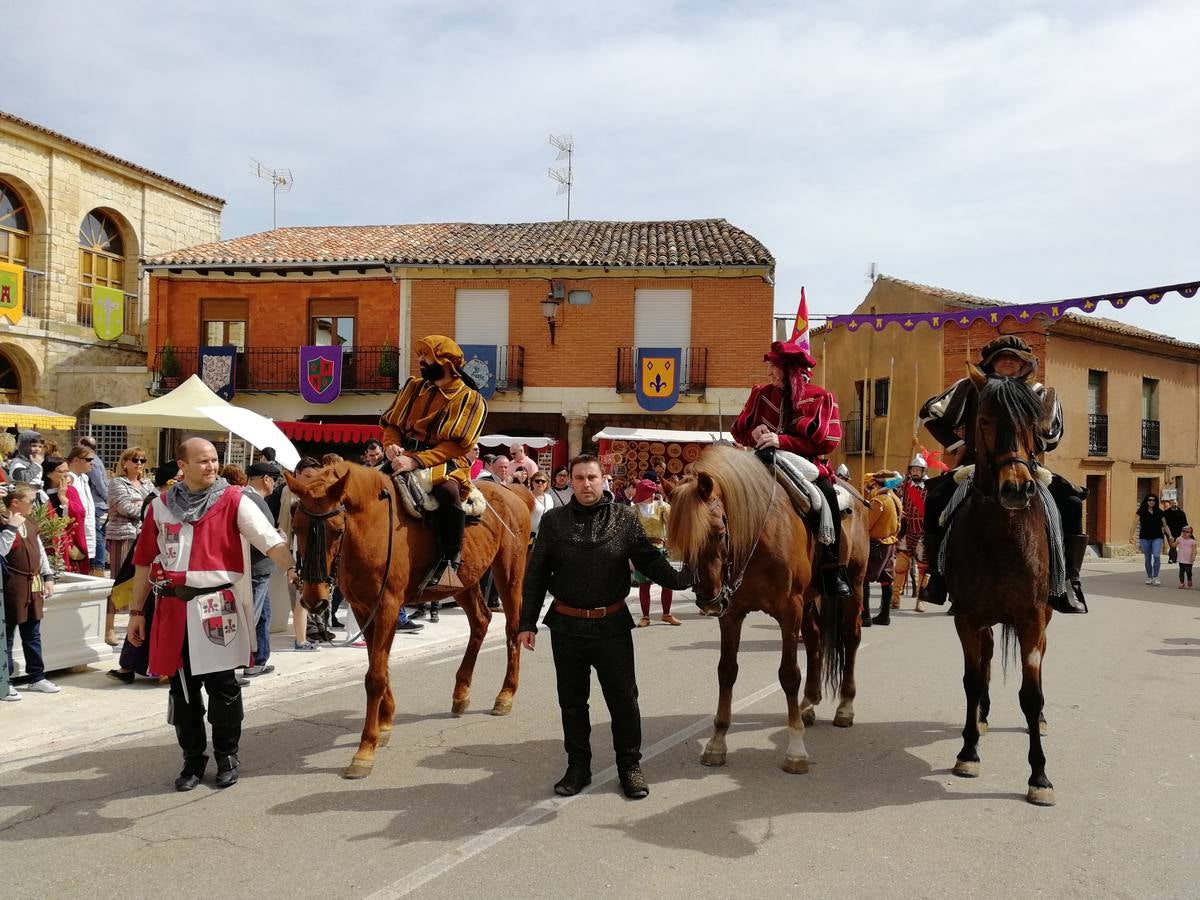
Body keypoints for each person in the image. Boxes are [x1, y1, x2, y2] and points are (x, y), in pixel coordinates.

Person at [517, 454, 693, 800]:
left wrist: (682, 579)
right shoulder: (553, 522)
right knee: (572, 702)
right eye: (579, 478)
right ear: (570, 481)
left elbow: (648, 560)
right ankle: (578, 767)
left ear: (603, 480)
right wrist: (527, 623)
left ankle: (630, 766)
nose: (585, 484)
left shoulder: (625, 518)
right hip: (566, 627)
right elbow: (536, 575)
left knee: (624, 700)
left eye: (591, 478)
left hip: (612, 625)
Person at [126, 438, 297, 791]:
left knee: (224, 689)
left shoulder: (234, 500)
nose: (212, 466)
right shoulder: (160, 506)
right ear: (182, 465)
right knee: (183, 691)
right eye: (203, 461)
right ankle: (192, 759)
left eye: (215, 460)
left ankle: (227, 755)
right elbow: (143, 562)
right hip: (173, 608)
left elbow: (269, 540)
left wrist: (296, 570)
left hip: (217, 608)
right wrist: (136, 612)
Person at [919, 335, 1089, 614]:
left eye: (1016, 357)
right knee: (936, 497)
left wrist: (1029, 437)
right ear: (990, 362)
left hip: (1025, 465)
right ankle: (937, 576)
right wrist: (959, 444)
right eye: (1002, 357)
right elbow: (930, 414)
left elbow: (1053, 436)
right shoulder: (971, 387)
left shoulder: (1039, 392)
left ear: (1026, 364)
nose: (1009, 360)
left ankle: (1070, 580)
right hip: (978, 465)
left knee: (1071, 502)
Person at [731, 337, 850, 601]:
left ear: (791, 370)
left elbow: (826, 442)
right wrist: (754, 432)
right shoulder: (761, 394)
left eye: (775, 367)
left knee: (827, 496)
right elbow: (739, 433)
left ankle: (832, 568)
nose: (769, 372)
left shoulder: (819, 397)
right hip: (761, 460)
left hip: (806, 463)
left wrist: (781, 440)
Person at [380, 334, 487, 591]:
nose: (421, 361)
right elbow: (392, 424)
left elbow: (457, 445)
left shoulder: (470, 398)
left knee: (448, 494)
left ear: (446, 362)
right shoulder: (413, 387)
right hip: (403, 456)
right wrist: (390, 446)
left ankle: (450, 561)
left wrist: (416, 461)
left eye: (426, 356)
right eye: (420, 356)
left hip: (445, 461)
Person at [109, 462, 177, 682]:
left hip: (165, 567)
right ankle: (132, 666)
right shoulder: (156, 503)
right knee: (143, 615)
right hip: (154, 568)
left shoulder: (171, 501)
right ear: (171, 481)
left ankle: (138, 666)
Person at [3, 484, 59, 697]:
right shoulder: (3, 522)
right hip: (12, 585)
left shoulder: (31, 522)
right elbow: (3, 550)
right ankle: (4, 681)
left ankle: (37, 677)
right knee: (6, 635)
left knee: (32, 634)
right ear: (15, 503)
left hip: (33, 583)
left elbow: (40, 551)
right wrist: (10, 528)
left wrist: (48, 576)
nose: (34, 505)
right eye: (30, 501)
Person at [104, 448, 154, 647]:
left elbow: (154, 505)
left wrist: (143, 505)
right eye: (135, 460)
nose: (139, 463)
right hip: (123, 535)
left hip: (142, 535)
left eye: (142, 460)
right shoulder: (117, 483)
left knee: (140, 582)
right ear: (124, 462)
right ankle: (109, 627)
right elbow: (126, 508)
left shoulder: (147, 483)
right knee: (118, 581)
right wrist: (145, 506)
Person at [242, 461, 281, 676]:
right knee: (252, 616)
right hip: (257, 566)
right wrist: (278, 538)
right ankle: (246, 662)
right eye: (273, 480)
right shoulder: (253, 500)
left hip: (257, 566)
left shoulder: (247, 498)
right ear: (266, 479)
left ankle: (259, 659)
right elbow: (259, 537)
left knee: (263, 614)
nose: (274, 485)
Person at [630, 479, 681, 628]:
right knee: (644, 584)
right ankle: (645, 616)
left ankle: (667, 614)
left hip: (660, 549)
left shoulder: (662, 507)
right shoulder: (633, 510)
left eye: (653, 492)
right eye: (648, 493)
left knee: (667, 583)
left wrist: (664, 506)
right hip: (642, 551)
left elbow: (672, 522)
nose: (652, 496)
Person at [864, 470, 903, 626]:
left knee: (864, 579)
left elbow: (867, 523)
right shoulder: (894, 498)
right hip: (890, 542)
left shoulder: (878, 501)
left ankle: (865, 616)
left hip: (876, 543)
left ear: (877, 483)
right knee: (886, 580)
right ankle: (884, 616)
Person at [43, 456, 89, 575]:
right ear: (49, 474)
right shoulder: (41, 493)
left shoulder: (70, 491)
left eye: (67, 471)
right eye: (60, 471)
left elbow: (80, 513)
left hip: (66, 541)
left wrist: (63, 498)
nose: (65, 474)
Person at [895, 456, 929, 609]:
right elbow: (895, 499)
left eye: (917, 470)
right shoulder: (905, 486)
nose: (915, 472)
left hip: (923, 531)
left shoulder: (930, 487)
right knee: (901, 566)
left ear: (923, 471)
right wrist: (899, 511)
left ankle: (920, 600)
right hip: (908, 530)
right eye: (913, 469)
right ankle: (895, 598)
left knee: (923, 568)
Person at [78, 436, 109, 574]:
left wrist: (107, 499)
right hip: (98, 502)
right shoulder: (96, 459)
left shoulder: (93, 461)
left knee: (97, 536)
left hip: (96, 503)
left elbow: (100, 484)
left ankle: (98, 567)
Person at [66, 445, 98, 567]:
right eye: (89, 460)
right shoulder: (69, 477)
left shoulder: (84, 478)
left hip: (87, 524)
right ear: (76, 460)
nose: (92, 463)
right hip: (75, 526)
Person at [1131, 494, 1172, 586]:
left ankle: (1156, 577)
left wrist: (1170, 536)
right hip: (1144, 537)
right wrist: (1131, 536)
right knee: (1148, 558)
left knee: (1157, 556)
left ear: (1156, 502)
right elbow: (1134, 523)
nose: (1151, 502)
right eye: (1149, 500)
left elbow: (1165, 525)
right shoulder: (1141, 511)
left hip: (1157, 537)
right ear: (1146, 501)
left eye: (1153, 500)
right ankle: (1149, 577)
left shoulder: (1160, 512)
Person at [7, 430, 46, 501]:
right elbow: (23, 480)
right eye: (34, 446)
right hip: (24, 499)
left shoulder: (33, 461)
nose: (37, 449)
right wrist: (36, 465)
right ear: (24, 446)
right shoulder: (18, 462)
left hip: (36, 497)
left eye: (40, 447)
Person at [1162, 499, 1189, 564]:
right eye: (1172, 503)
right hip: (1169, 532)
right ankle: (1173, 558)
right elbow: (1164, 524)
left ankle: (1171, 559)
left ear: (1177, 503)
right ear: (1170, 504)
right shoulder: (1166, 513)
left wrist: (1184, 533)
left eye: (1175, 503)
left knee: (1173, 546)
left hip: (1178, 532)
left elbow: (1185, 524)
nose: (1174, 504)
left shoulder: (1181, 513)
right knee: (1172, 545)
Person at [529, 472, 554, 539]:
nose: (540, 483)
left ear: (547, 483)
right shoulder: (527, 496)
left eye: (543, 481)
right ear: (532, 482)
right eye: (537, 481)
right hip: (530, 535)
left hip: (546, 535)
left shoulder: (549, 497)